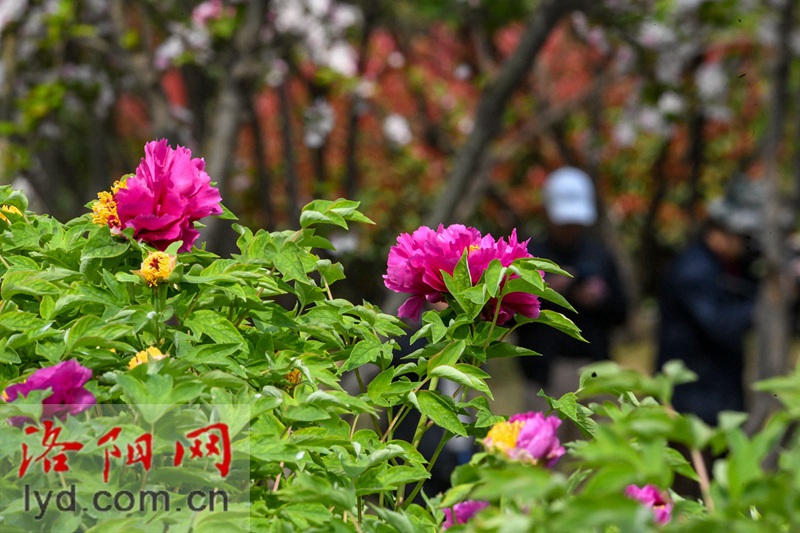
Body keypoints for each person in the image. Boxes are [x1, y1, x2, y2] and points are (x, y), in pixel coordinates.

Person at [516, 167, 629, 409]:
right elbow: (506, 316)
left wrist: (599, 299)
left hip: (594, 369)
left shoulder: (599, 256)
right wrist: (542, 291)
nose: (569, 228)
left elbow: (622, 312)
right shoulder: (530, 256)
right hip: (544, 374)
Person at [656, 178, 762, 425]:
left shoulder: (725, 265)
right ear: (721, 230)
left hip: (719, 395)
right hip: (694, 402)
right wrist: (763, 305)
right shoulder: (694, 270)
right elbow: (720, 324)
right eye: (743, 236)